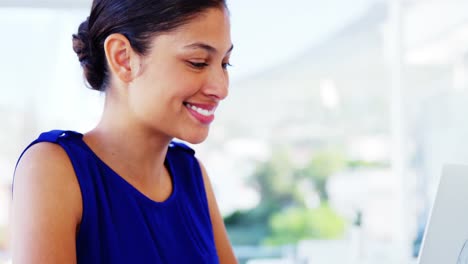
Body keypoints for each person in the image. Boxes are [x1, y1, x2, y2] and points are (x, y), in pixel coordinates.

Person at [11, 0, 236, 263]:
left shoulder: (192, 175)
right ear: (123, 58)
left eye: (225, 63)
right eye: (197, 62)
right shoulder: (54, 171)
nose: (221, 88)